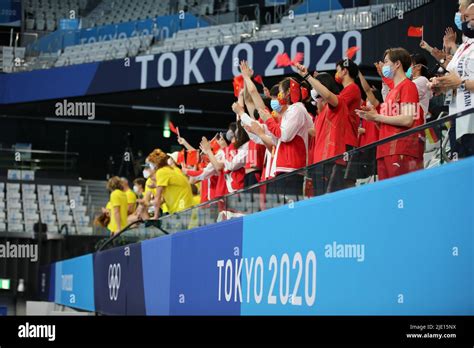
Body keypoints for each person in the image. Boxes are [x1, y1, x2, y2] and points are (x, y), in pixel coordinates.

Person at [357, 47, 424, 180]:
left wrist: (378, 116)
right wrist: (373, 118)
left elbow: (407, 120)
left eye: (387, 61)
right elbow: (386, 123)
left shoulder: (408, 86)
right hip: (384, 150)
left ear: (397, 64)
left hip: (401, 149)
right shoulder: (391, 93)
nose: (384, 65)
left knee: (402, 195)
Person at [295, 64, 348, 195]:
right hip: (318, 163)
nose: (313, 90)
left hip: (331, 161)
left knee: (330, 205)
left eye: (315, 86)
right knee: (320, 203)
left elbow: (328, 96)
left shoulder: (338, 103)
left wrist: (307, 76)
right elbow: (315, 132)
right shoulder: (321, 114)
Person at [431, 3, 474, 157]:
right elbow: (453, 73)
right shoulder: (465, 46)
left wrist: (460, 83)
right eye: (466, 18)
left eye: (469, 18)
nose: (465, 21)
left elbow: (460, 80)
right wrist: (441, 85)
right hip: (459, 117)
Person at [147, 148, 194, 219]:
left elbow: (158, 197)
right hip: (187, 205)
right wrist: (156, 185)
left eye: (150, 164)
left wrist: (155, 216)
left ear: (155, 164)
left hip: (181, 208)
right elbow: (174, 186)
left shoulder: (161, 172)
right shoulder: (174, 169)